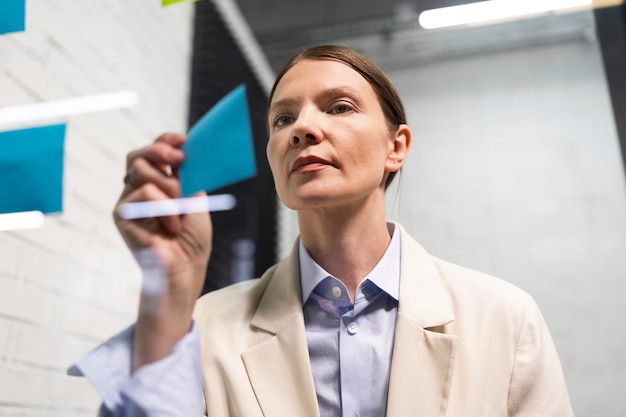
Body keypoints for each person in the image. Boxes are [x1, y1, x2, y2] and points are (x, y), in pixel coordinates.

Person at [71, 45, 574, 417]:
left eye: (338, 107)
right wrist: (171, 285)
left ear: (396, 147)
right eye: (282, 118)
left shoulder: (504, 319)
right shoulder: (203, 325)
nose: (302, 129)